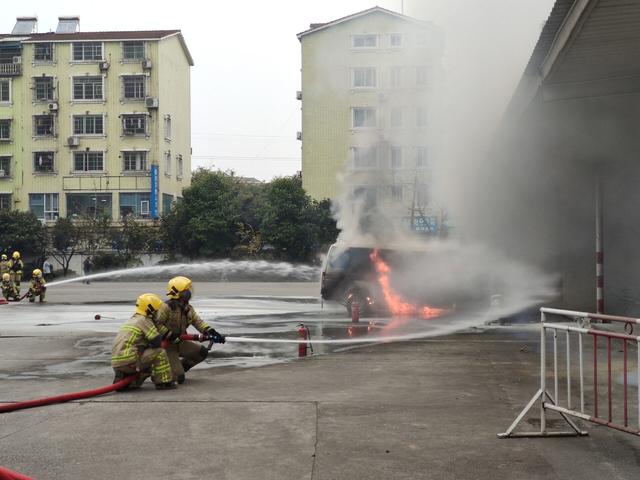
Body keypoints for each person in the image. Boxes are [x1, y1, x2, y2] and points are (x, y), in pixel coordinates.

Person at [156, 276, 226, 384]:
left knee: (202, 353)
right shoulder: (166, 307)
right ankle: (161, 371)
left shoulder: (188, 308)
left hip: (181, 342)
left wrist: (211, 332)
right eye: (186, 290)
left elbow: (198, 322)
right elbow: (156, 324)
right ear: (179, 293)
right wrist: (168, 334)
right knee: (179, 379)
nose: (189, 292)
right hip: (167, 346)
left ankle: (178, 368)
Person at [111, 293, 176, 390]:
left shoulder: (132, 320)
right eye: (156, 310)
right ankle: (164, 382)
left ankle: (128, 382)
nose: (158, 312)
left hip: (117, 362)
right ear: (150, 310)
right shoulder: (144, 320)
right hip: (131, 361)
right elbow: (156, 342)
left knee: (148, 361)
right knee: (159, 352)